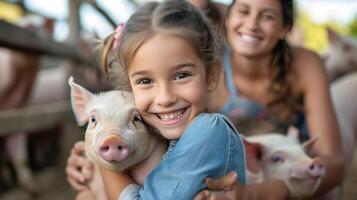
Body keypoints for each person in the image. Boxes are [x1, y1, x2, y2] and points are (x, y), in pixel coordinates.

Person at [67, 1, 247, 199]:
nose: (165, 98)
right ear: (130, 88)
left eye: (181, 75)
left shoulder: (210, 130)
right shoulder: (153, 133)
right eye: (145, 81)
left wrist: (105, 163)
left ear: (211, 74)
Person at [194, 0, 344, 199]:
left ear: (285, 28)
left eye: (267, 16)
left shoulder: (306, 65)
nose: (252, 24)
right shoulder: (208, 66)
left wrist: (263, 193)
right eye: (243, 11)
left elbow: (334, 162)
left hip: (292, 175)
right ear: (228, 19)